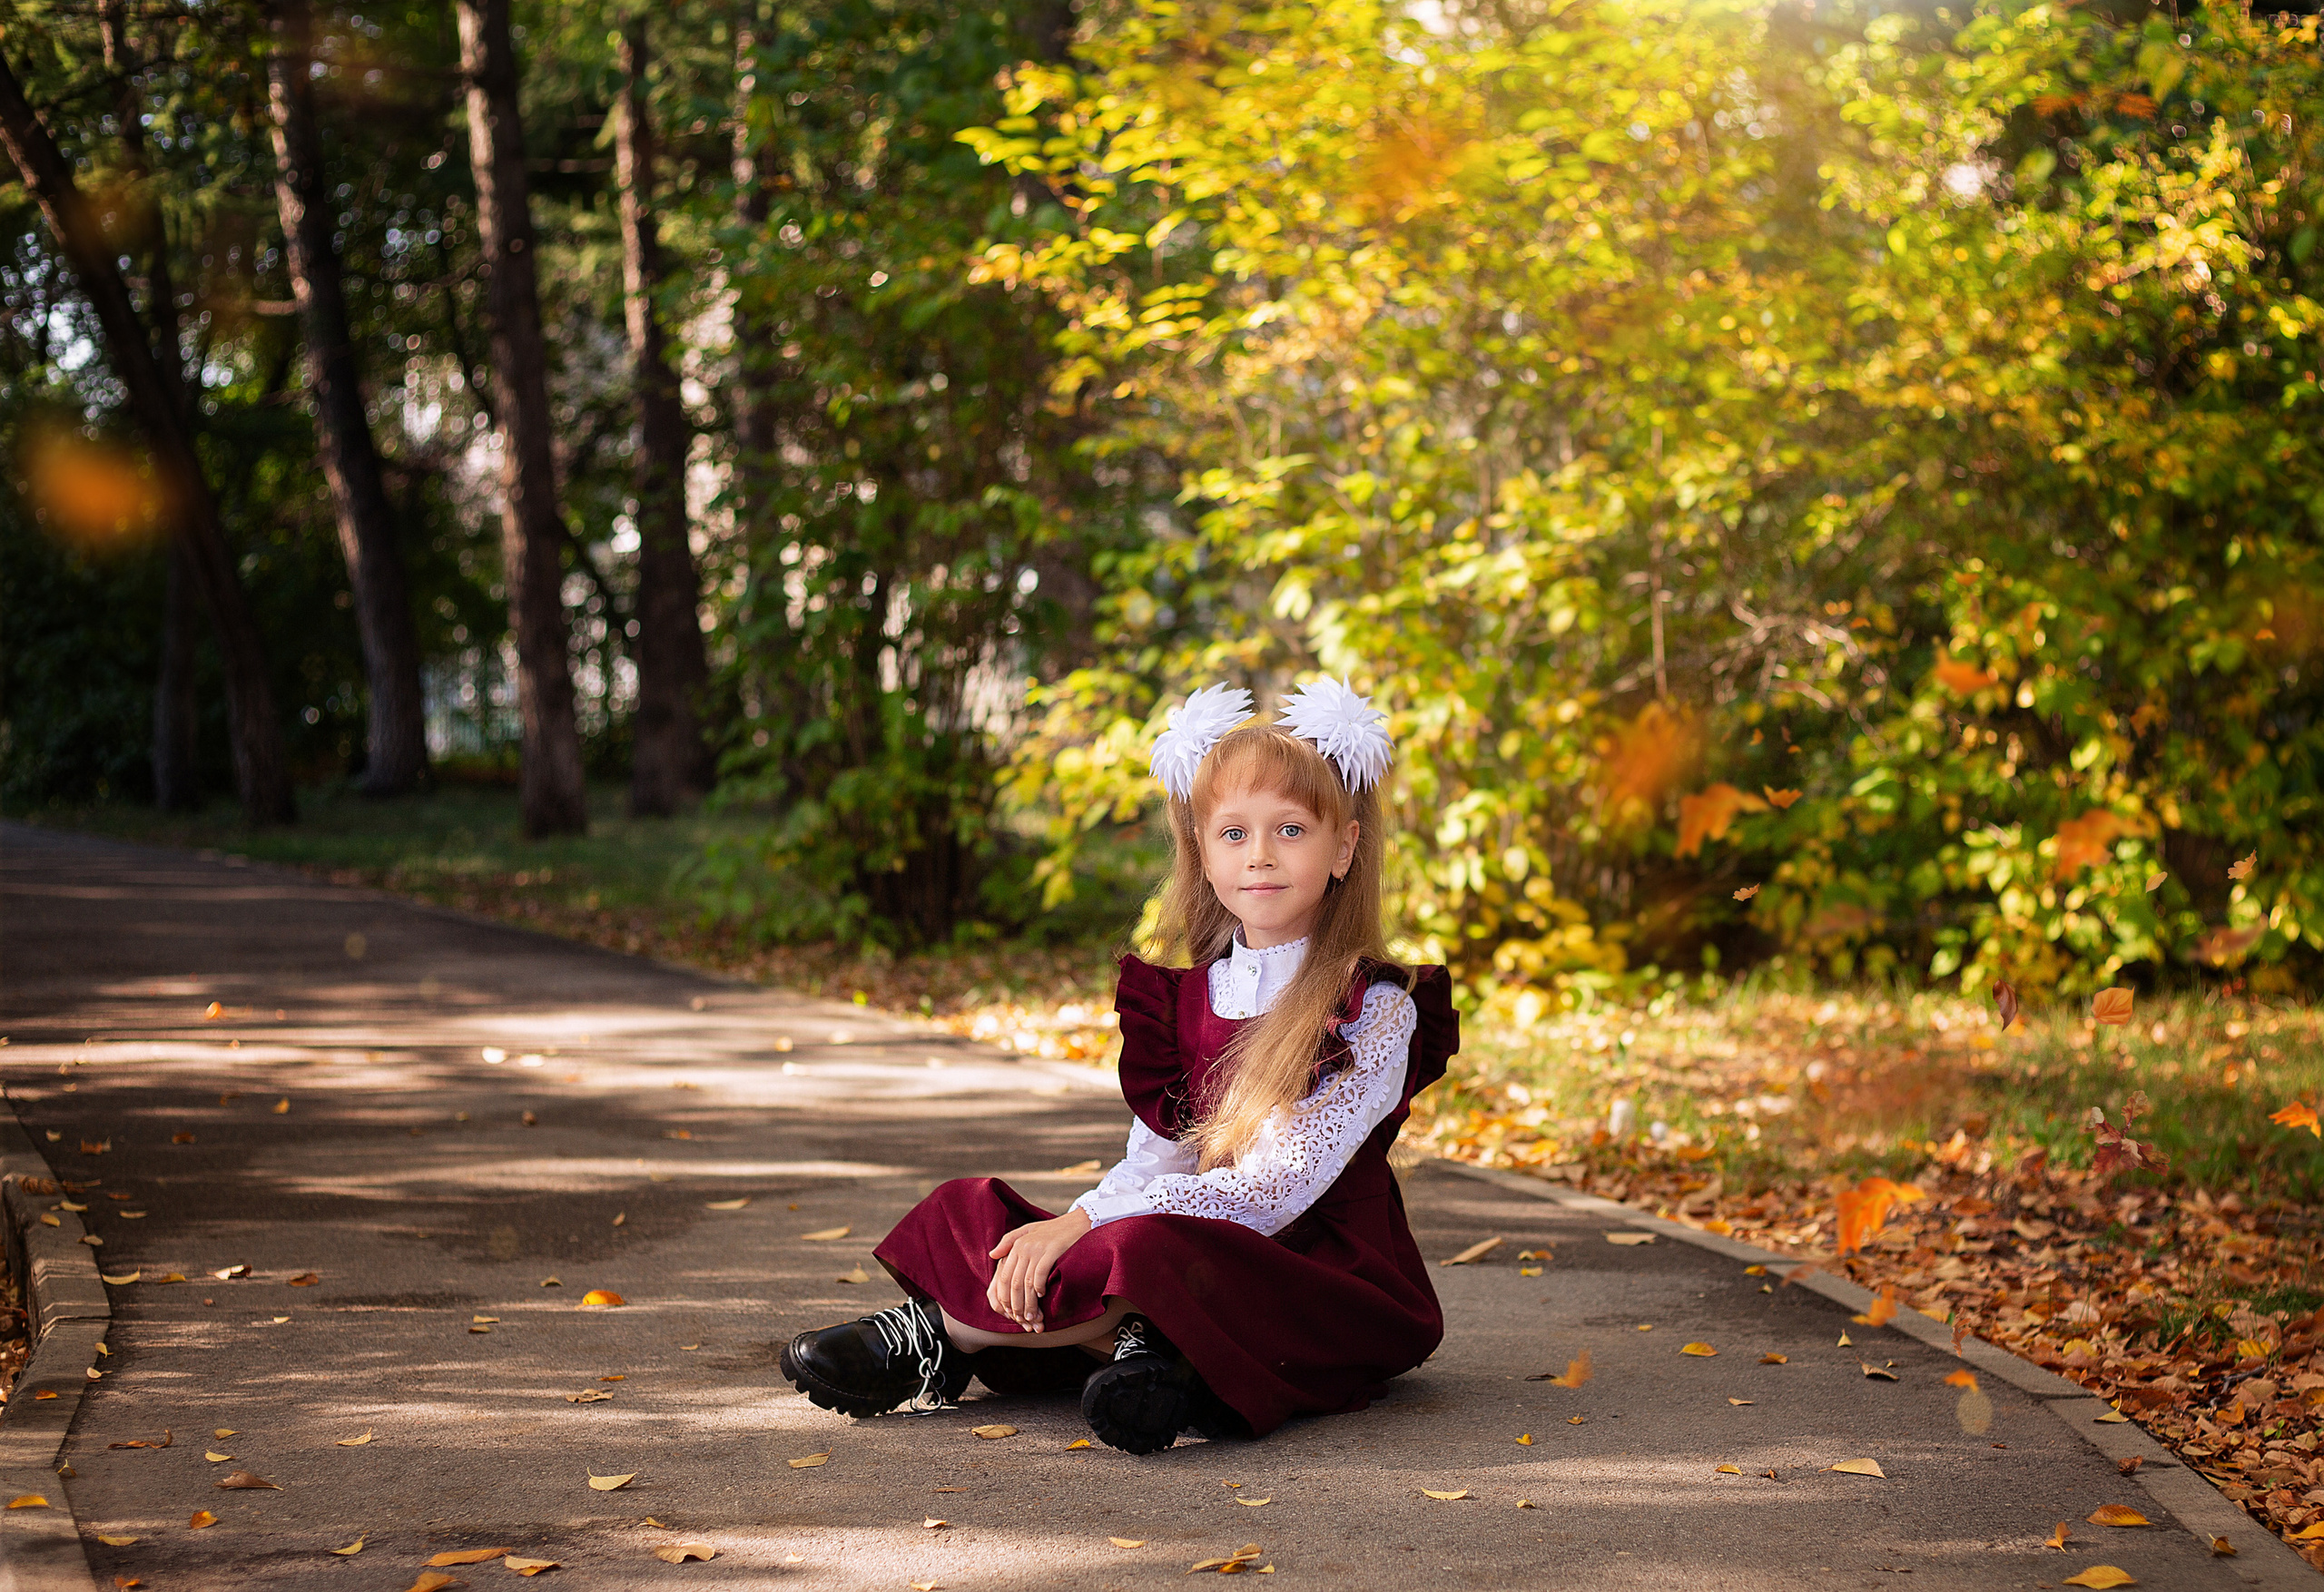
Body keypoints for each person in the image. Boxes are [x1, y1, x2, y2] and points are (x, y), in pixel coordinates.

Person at [779, 678, 1459, 1452]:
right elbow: (1152, 1163)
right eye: (1233, 833)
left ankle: (944, 1333)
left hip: (1318, 1269)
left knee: (1139, 1247)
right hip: (1194, 1242)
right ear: (1201, 854)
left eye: (1292, 831)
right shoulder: (1184, 1001)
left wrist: (1082, 1227)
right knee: (972, 1210)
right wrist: (1071, 1224)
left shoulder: (1370, 1008)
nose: (1261, 855)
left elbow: (1273, 1193)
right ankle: (1144, 1350)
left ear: (1343, 847)